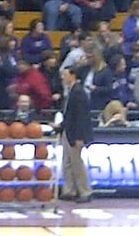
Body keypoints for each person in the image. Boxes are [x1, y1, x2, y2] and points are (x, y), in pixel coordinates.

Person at [59, 67, 94, 203]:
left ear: (73, 75)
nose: (63, 77)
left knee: (77, 163)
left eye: (65, 74)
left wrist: (80, 137)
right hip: (68, 131)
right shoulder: (72, 91)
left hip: (75, 133)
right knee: (67, 162)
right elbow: (69, 114)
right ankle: (70, 190)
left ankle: (85, 191)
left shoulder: (78, 92)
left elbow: (81, 117)